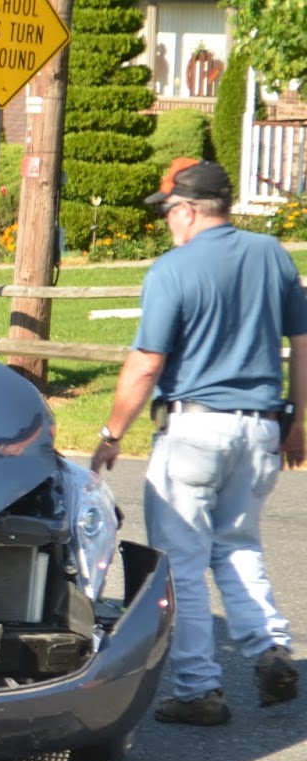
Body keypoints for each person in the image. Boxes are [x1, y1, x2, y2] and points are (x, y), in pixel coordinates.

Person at [91, 158, 307, 725]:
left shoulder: (172, 270)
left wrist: (112, 434)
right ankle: (268, 647)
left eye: (168, 211)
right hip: (261, 427)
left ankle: (198, 689)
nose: (167, 221)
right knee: (239, 545)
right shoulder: (273, 256)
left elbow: (146, 363)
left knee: (181, 564)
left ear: (187, 209)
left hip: (194, 429)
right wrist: (297, 421)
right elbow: (302, 344)